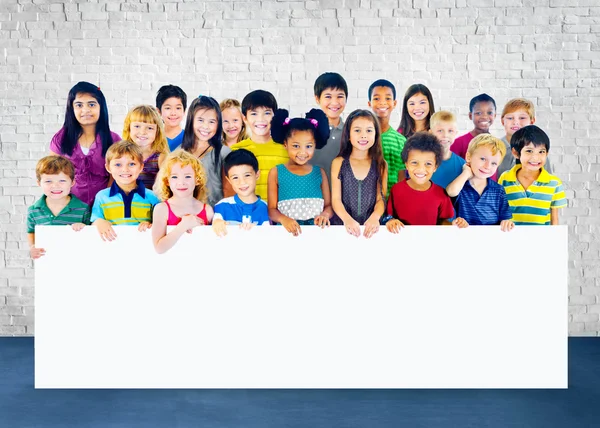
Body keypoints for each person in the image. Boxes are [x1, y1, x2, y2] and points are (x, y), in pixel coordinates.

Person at [49, 81, 121, 205]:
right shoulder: (60, 139)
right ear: (72, 109)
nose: (85, 110)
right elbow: (52, 174)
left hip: (104, 206)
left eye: (91, 104)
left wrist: (104, 203)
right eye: (79, 105)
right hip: (69, 207)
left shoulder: (113, 139)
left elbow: (115, 176)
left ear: (101, 107)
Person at [267, 108, 332, 236]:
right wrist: (284, 219)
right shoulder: (276, 172)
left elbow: (328, 206)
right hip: (287, 233)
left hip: (317, 234)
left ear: (315, 145)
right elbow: (272, 210)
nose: (302, 152)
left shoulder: (320, 173)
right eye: (296, 146)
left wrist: (325, 215)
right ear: (285, 144)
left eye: (308, 146)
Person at [384, 132, 462, 232]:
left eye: (428, 164)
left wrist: (454, 224)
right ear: (406, 164)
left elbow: (443, 222)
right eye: (414, 163)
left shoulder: (441, 193)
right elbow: (388, 217)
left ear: (435, 167)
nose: (421, 169)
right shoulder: (396, 190)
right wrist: (391, 221)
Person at [331, 109, 388, 239]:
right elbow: (336, 199)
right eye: (357, 130)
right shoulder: (339, 163)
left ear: (376, 134)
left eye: (369, 130)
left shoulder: (381, 164)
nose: (363, 135)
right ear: (349, 135)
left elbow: (381, 199)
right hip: (342, 227)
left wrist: (375, 218)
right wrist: (347, 220)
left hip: (371, 230)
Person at [90, 140, 160, 241]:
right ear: (108, 167)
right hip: (112, 245)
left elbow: (161, 224)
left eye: (131, 164)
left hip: (142, 245)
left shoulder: (152, 197)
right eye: (118, 165)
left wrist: (150, 225)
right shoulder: (102, 196)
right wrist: (99, 222)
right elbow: (94, 221)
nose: (125, 169)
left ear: (141, 167)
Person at [498, 125, 566, 225]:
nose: (535, 157)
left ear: (546, 153)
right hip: (511, 238)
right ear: (516, 153)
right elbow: (499, 211)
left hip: (541, 239)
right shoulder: (505, 179)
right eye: (529, 151)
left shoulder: (554, 183)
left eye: (541, 152)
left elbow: (554, 218)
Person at [229, 90, 288, 203]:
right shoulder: (236, 151)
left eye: (267, 113)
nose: (261, 119)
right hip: (250, 215)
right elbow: (232, 189)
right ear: (244, 118)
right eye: (254, 114)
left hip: (281, 215)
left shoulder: (286, 148)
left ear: (274, 116)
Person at [446, 134, 514, 231]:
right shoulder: (460, 185)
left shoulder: (498, 190)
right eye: (483, 159)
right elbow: (451, 192)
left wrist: (505, 222)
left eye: (493, 163)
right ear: (468, 157)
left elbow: (505, 218)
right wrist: (466, 173)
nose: (487, 166)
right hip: (465, 236)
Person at [27, 156, 90, 259]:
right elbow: (31, 232)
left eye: (62, 181)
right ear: (39, 183)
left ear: (72, 182)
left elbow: (91, 237)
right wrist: (32, 247)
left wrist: (83, 227)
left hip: (76, 260)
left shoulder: (83, 209)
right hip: (48, 262)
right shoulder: (33, 210)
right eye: (48, 181)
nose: (55, 186)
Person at [151, 150, 214, 253]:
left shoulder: (207, 210)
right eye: (175, 177)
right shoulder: (161, 209)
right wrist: (183, 226)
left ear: (197, 179)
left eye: (188, 176)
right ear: (167, 181)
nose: (181, 182)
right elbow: (159, 248)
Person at [180, 95, 231, 207]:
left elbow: (229, 193)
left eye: (211, 122)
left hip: (216, 218)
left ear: (218, 124)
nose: (205, 126)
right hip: (185, 216)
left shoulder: (224, 153)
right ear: (191, 120)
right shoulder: (179, 152)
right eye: (200, 120)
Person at [212, 149, 270, 237]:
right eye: (235, 178)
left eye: (247, 175)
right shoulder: (222, 206)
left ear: (257, 174)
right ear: (229, 180)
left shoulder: (267, 208)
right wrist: (217, 223)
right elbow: (215, 225)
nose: (242, 182)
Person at [495, 98, 553, 180]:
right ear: (502, 121)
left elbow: (547, 180)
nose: (516, 122)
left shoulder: (539, 151)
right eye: (510, 118)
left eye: (522, 118)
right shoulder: (494, 148)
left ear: (532, 121)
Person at [367, 79, 407, 195]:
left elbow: (401, 178)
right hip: (366, 203)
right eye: (376, 98)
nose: (382, 102)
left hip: (391, 203)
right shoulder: (362, 138)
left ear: (394, 103)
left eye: (388, 98)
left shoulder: (401, 141)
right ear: (369, 103)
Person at [312, 72, 348, 186]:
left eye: (340, 96)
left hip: (342, 199)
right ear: (317, 99)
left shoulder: (351, 132)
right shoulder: (308, 131)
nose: (334, 102)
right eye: (328, 96)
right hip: (313, 197)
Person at [122, 105, 169, 190]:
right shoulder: (121, 154)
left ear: (157, 132)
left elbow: (165, 188)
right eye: (137, 126)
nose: (143, 132)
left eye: (150, 128)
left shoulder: (161, 157)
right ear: (129, 128)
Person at [451, 93, 497, 159]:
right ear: (470, 116)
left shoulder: (497, 143)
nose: (484, 117)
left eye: (489, 113)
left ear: (495, 115)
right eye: (478, 113)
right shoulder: (459, 143)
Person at [429, 111, 466, 190]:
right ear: (431, 133)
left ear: (456, 133)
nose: (445, 135)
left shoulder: (462, 165)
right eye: (440, 131)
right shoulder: (423, 161)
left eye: (450, 131)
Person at [156, 84, 187, 151]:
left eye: (178, 108)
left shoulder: (190, 138)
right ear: (158, 111)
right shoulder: (153, 138)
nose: (173, 113)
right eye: (168, 108)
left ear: (184, 111)